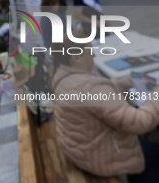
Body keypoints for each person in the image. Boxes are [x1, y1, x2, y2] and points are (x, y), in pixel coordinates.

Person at [51, 32, 159, 183]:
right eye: (90, 51)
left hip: (82, 152)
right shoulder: (92, 88)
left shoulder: (61, 76)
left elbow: (87, 97)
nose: (94, 56)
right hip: (104, 159)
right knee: (153, 151)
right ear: (76, 57)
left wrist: (118, 84)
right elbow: (139, 123)